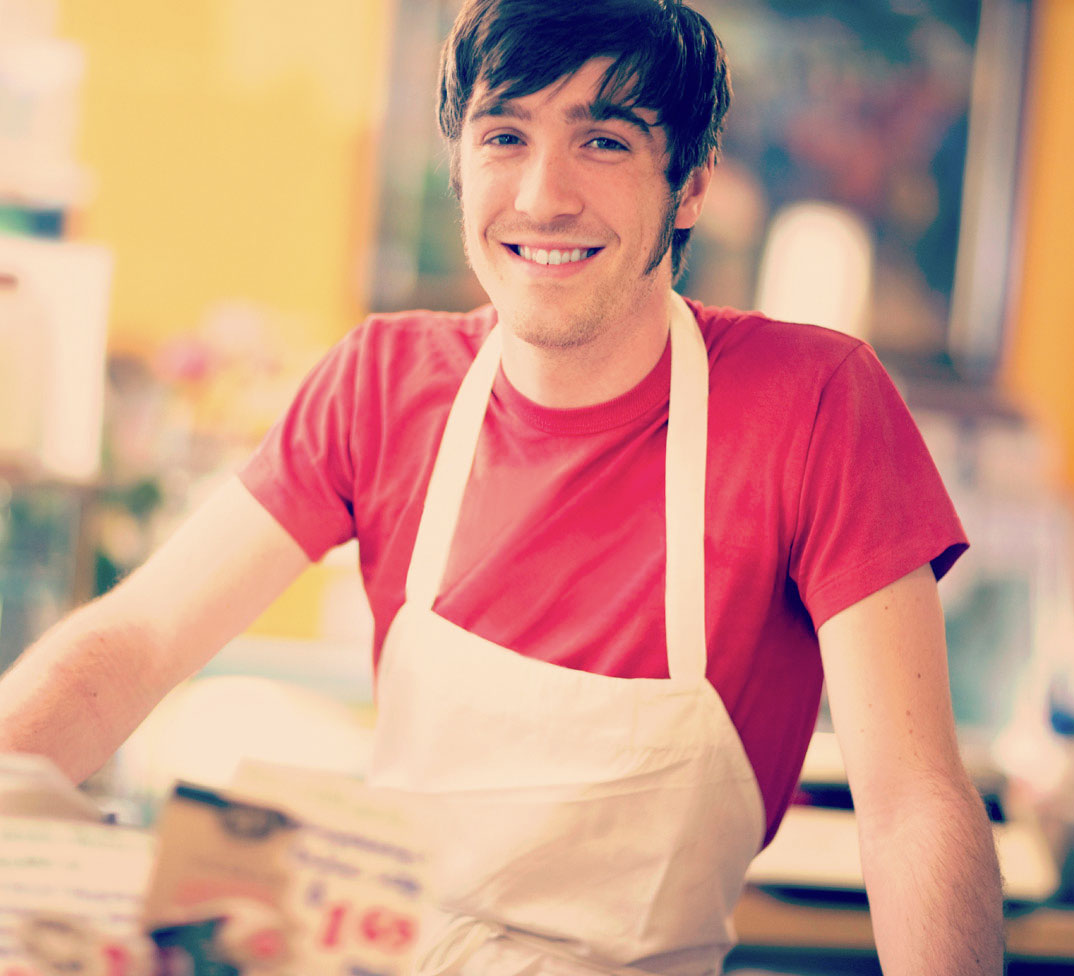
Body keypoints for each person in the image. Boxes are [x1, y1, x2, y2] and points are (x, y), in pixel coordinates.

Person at [0, 1, 1003, 974]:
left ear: (690, 183)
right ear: (459, 161)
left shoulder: (817, 404)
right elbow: (132, 644)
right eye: (504, 135)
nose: (540, 196)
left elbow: (913, 801)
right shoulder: (382, 382)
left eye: (602, 140)